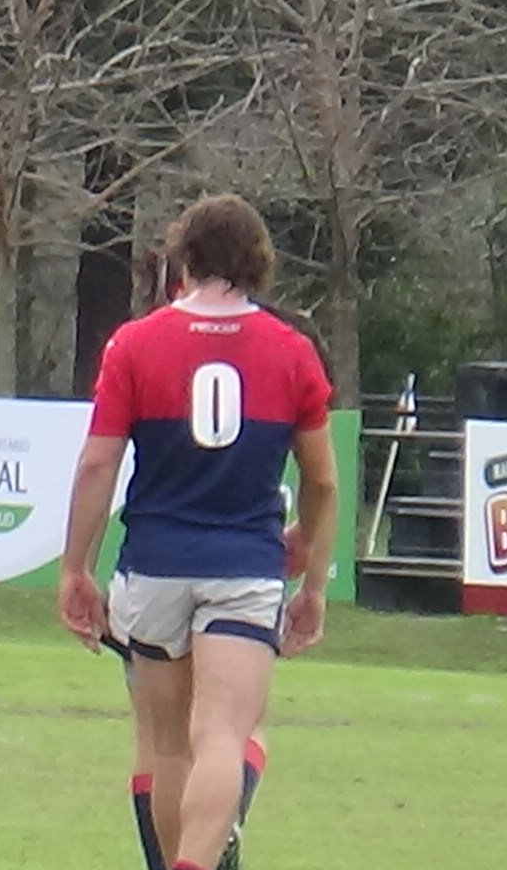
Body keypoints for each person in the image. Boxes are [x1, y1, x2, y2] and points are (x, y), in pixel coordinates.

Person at [59, 194, 338, 870]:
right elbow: (323, 481)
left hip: (155, 565)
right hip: (244, 566)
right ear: (259, 262)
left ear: (183, 258)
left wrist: (75, 567)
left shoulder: (135, 342)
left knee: (168, 747)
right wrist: (312, 575)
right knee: (222, 737)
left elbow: (98, 463)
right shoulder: (291, 351)